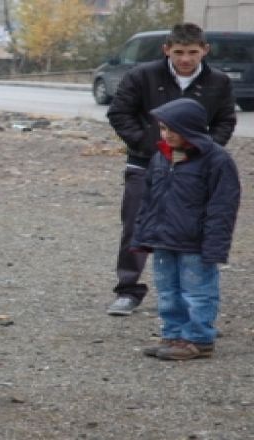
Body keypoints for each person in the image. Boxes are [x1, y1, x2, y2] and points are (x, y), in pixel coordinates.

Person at [106, 22, 236, 316]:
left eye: (192, 52)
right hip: (145, 165)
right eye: (179, 52)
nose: (185, 59)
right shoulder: (142, 75)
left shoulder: (219, 82)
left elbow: (225, 120)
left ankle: (192, 294)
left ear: (205, 50)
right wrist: (148, 146)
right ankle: (128, 290)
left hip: (197, 169)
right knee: (136, 226)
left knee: (193, 229)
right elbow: (119, 112)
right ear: (167, 50)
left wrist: (206, 151)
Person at [132, 98, 240, 360]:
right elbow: (148, 200)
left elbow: (222, 208)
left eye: (172, 129)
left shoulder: (216, 160)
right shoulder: (161, 158)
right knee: (168, 292)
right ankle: (174, 335)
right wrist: (142, 234)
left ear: (191, 128)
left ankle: (199, 339)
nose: (166, 135)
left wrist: (215, 246)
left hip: (195, 243)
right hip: (163, 240)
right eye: (163, 129)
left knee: (198, 292)